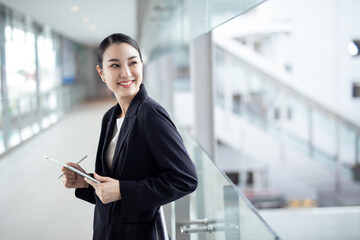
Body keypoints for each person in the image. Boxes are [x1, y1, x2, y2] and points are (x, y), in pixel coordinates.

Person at [61, 33, 198, 240]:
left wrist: (124, 190)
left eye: (132, 63)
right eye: (115, 65)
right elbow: (113, 186)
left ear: (142, 65)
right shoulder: (110, 117)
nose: (126, 73)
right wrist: (86, 182)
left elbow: (185, 179)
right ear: (101, 73)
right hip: (106, 231)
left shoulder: (150, 114)